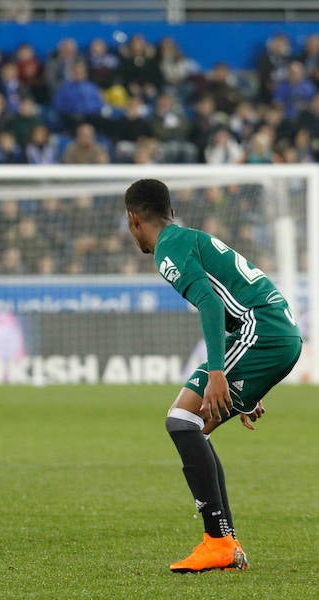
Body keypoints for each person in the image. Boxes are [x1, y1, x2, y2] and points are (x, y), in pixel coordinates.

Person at [124, 178, 302, 573]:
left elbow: (209, 302)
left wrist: (219, 371)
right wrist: (248, 384)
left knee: (181, 420)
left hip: (262, 331)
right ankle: (225, 543)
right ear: (171, 211)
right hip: (271, 333)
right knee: (193, 427)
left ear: (133, 219)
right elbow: (228, 300)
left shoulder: (168, 249)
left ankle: (219, 542)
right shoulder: (189, 237)